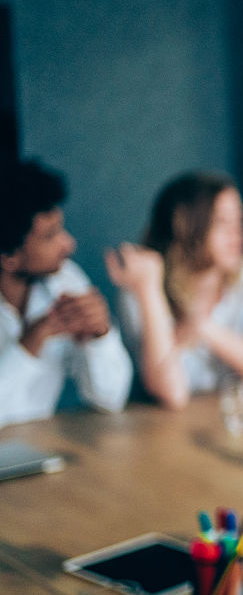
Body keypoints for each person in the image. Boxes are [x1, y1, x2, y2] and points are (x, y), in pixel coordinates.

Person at [106, 170, 243, 409]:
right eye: (222, 222)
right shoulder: (140, 289)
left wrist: (202, 327)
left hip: (237, 419)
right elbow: (171, 394)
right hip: (163, 426)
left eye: (239, 221)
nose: (236, 234)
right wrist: (149, 289)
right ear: (185, 227)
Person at [0, 156, 132, 426]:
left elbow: (110, 399)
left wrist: (99, 335)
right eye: (50, 236)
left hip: (43, 445)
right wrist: (31, 341)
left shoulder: (65, 280)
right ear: (9, 257)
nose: (69, 244)